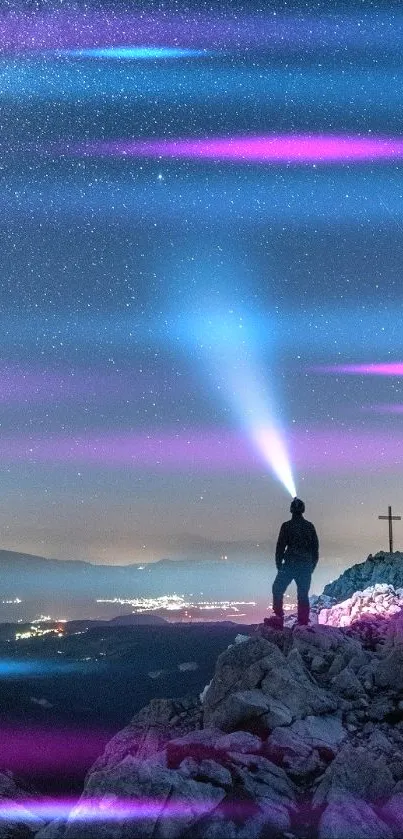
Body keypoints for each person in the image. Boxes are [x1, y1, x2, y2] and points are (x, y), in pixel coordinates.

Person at [265, 497, 319, 629]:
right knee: (303, 594)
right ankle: (303, 622)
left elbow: (280, 547)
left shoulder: (286, 526)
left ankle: (278, 617)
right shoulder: (309, 526)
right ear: (303, 510)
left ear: (291, 510)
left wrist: (279, 565)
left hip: (289, 564)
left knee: (277, 588)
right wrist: (311, 567)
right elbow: (315, 549)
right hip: (305, 566)